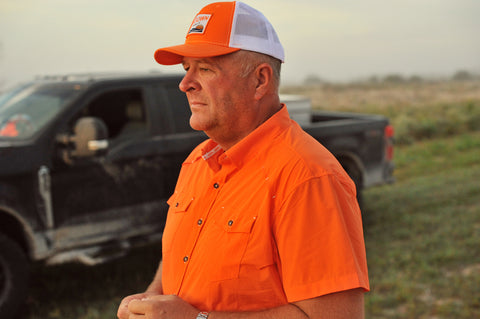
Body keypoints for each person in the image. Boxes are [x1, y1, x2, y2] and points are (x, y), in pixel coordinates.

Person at [118, 2, 369, 318]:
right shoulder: (199, 160)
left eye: (206, 68)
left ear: (260, 81)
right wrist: (153, 298)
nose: (185, 84)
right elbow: (182, 253)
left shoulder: (308, 176)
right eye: (186, 68)